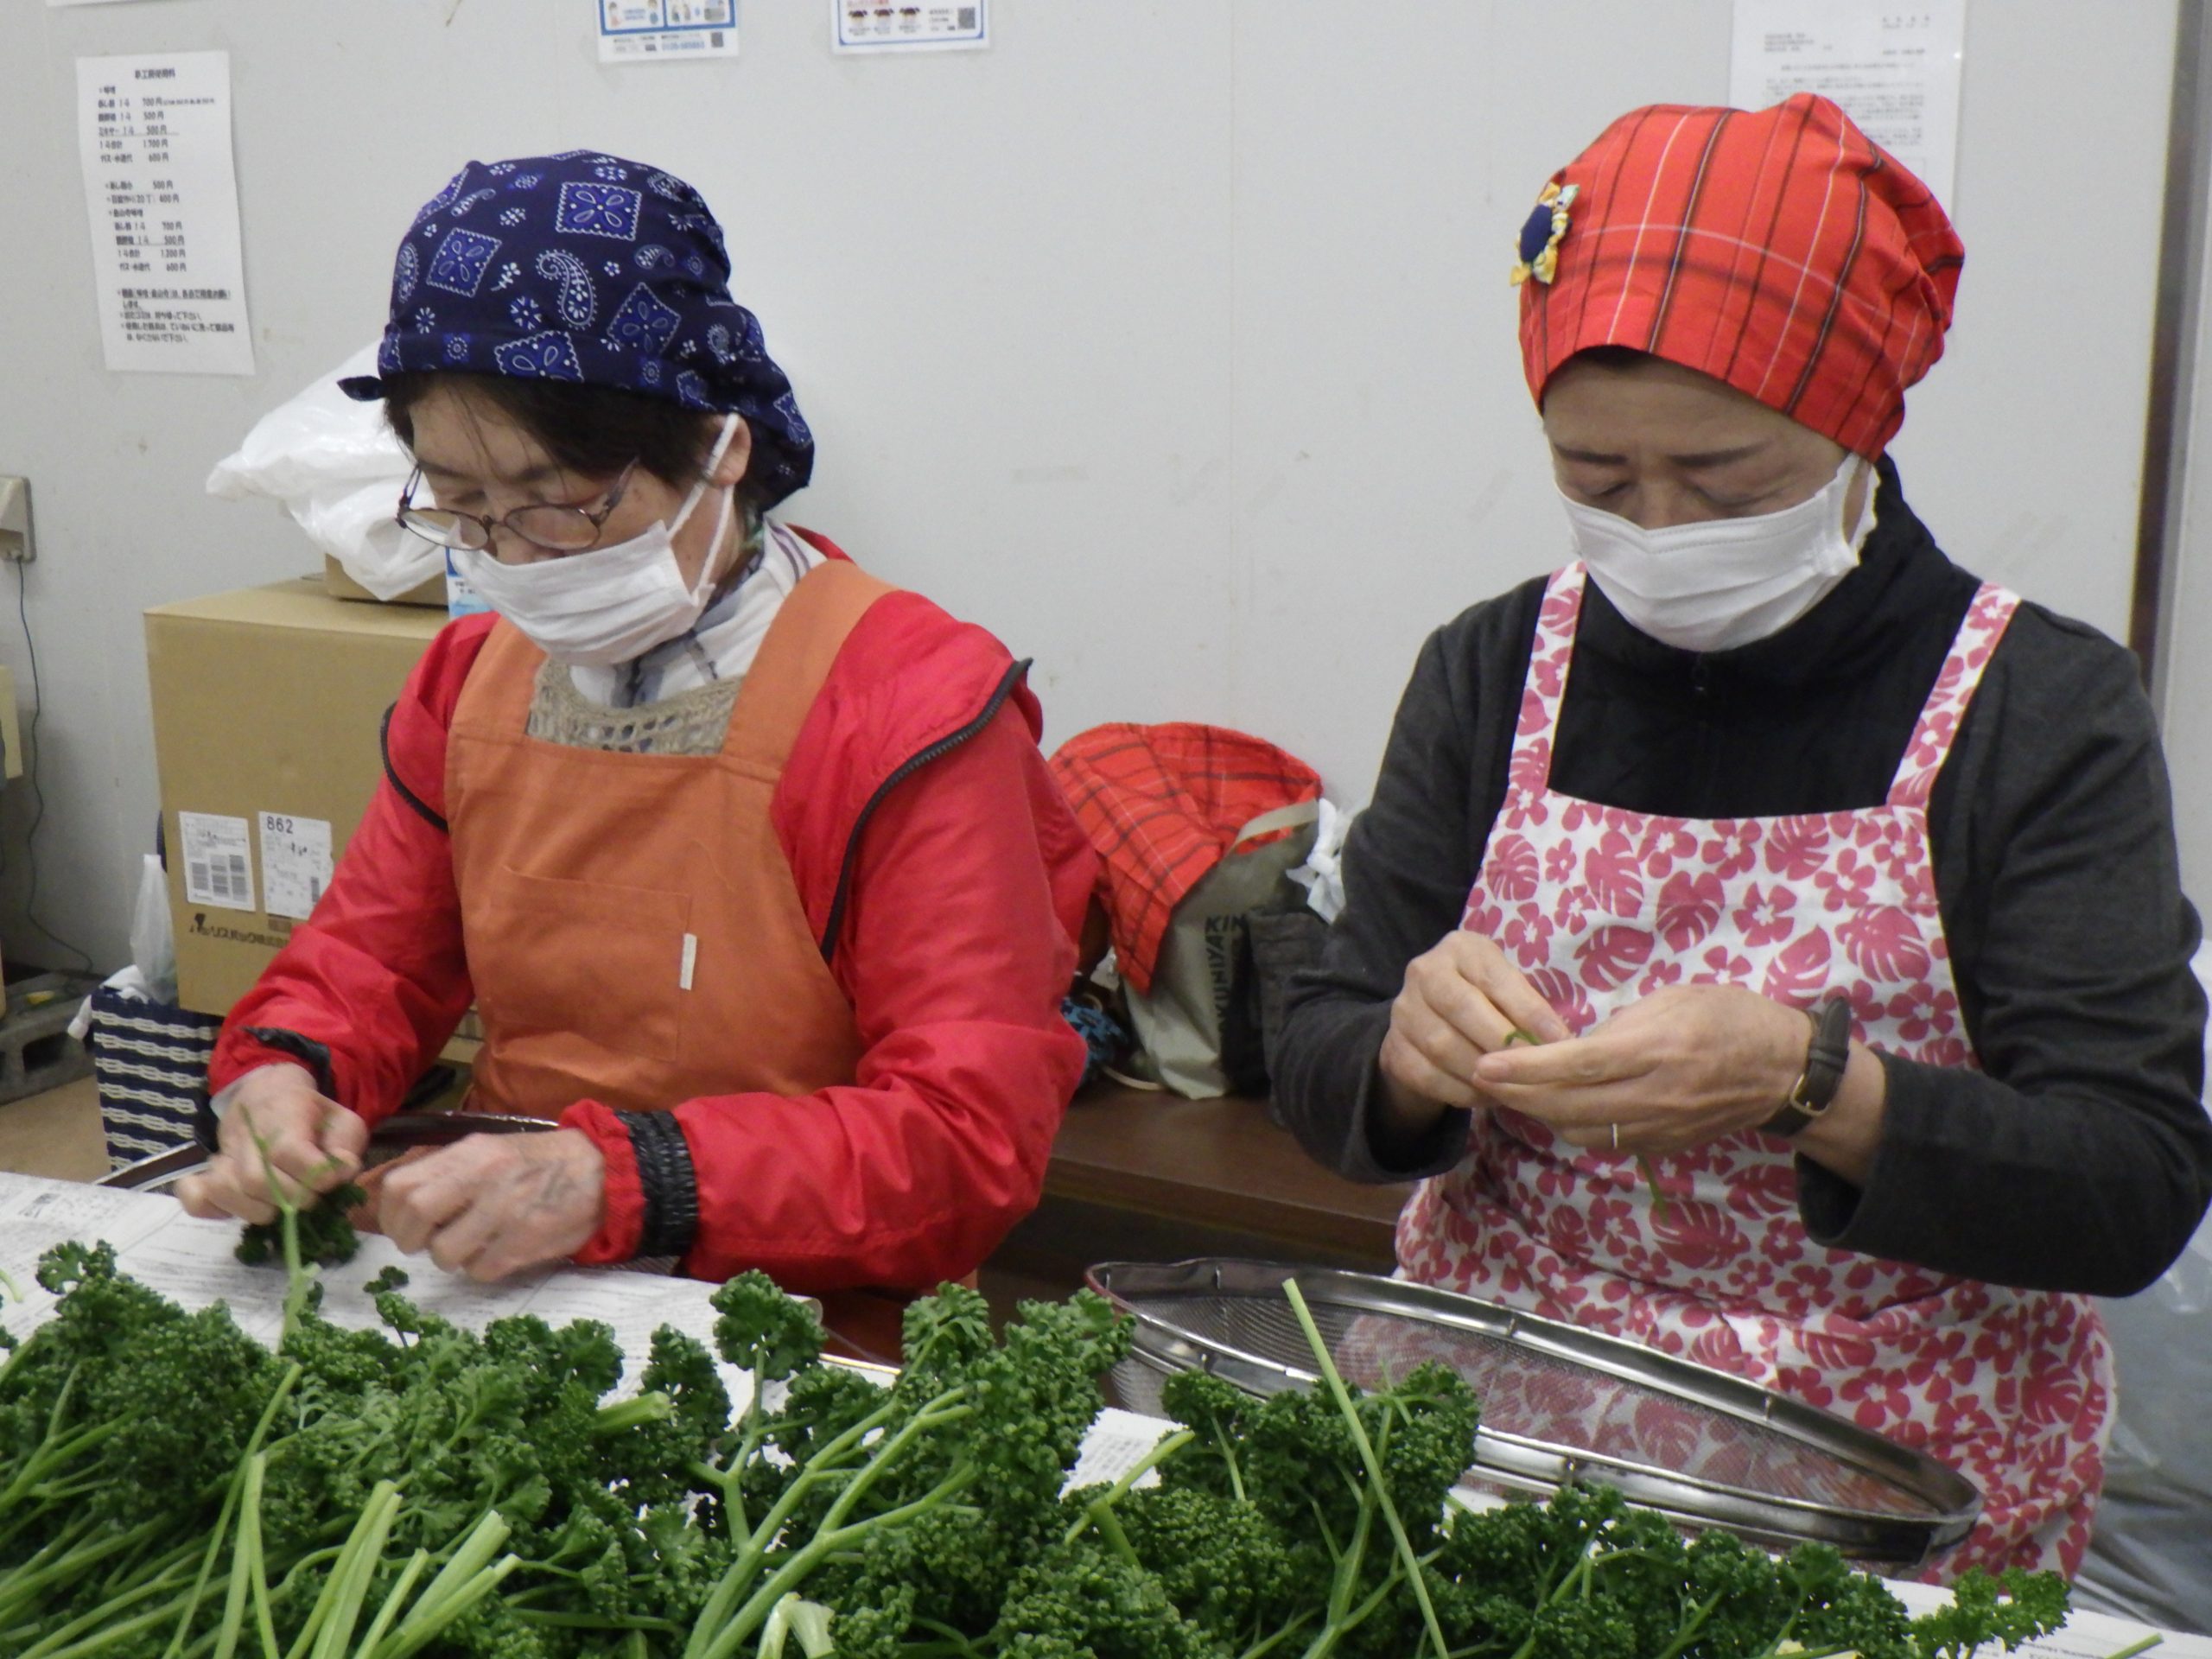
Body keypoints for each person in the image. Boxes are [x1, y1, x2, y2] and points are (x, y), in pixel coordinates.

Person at [1273, 94, 2212, 1576]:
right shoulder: (1494, 667)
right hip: (1498, 1444)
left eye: (1724, 484)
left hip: (1883, 1491)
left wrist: (1809, 1081)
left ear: (1858, 427)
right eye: (1596, 480)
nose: (1657, 524)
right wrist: (1401, 1053)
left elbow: (2131, 1180)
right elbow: (1317, 1039)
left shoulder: (2038, 708)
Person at [178, 151, 1096, 1306]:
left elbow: (965, 1141)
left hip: (802, 1316)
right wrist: (282, 1079)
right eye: (460, 502)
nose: (509, 554)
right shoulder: (473, 680)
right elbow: (367, 962)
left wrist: (625, 1182)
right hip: (505, 1275)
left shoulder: (906, 710)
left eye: (557, 502)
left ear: (719, 450)